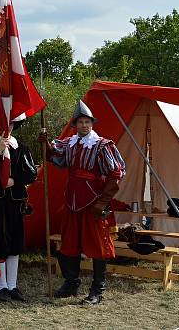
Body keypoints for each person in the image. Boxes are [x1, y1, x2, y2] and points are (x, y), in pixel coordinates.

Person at [39, 100, 126, 305]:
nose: (83, 125)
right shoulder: (69, 143)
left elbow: (116, 173)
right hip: (72, 201)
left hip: (93, 202)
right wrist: (45, 144)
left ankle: (97, 290)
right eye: (80, 122)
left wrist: (103, 202)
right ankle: (71, 283)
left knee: (97, 246)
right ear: (75, 125)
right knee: (69, 244)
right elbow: (55, 157)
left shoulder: (103, 145)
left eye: (87, 122)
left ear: (92, 123)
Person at [0, 114, 36, 302]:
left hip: (16, 199)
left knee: (15, 241)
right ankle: (2, 286)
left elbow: (31, 173)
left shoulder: (21, 147)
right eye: (4, 122)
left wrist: (15, 180)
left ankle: (13, 286)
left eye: (11, 123)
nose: (8, 126)